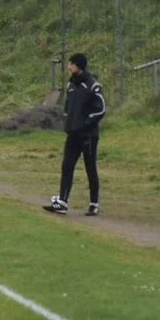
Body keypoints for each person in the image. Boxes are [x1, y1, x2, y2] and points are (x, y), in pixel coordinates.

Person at [44, 53, 105, 217]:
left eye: (71, 64)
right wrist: (68, 123)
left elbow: (100, 110)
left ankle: (94, 204)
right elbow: (68, 108)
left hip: (88, 135)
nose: (68, 67)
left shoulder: (93, 85)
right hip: (73, 134)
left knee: (90, 168)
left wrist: (85, 124)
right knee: (67, 165)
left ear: (78, 66)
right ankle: (62, 203)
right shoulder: (71, 85)